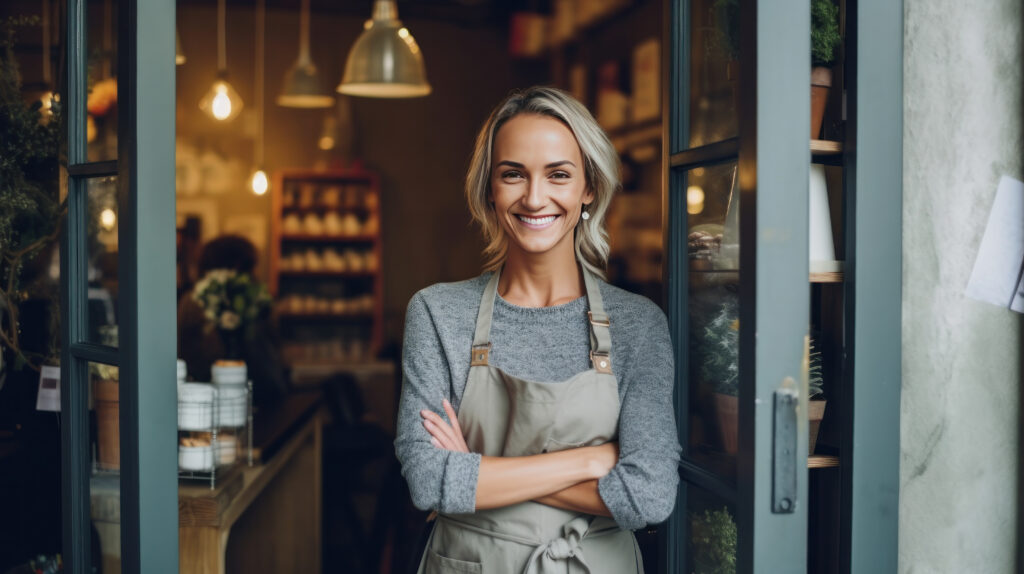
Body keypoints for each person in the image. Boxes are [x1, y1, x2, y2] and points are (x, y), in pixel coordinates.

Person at [395, 86, 681, 573]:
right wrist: (589, 461)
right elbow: (427, 480)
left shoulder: (638, 325)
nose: (534, 197)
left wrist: (478, 472)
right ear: (490, 187)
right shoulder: (437, 313)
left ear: (588, 188)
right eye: (513, 175)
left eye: (558, 175)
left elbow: (649, 496)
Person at [177, 235, 289, 407]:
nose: (255, 274)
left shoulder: (192, 300)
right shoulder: (200, 302)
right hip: (226, 400)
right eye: (251, 267)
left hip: (211, 399)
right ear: (237, 266)